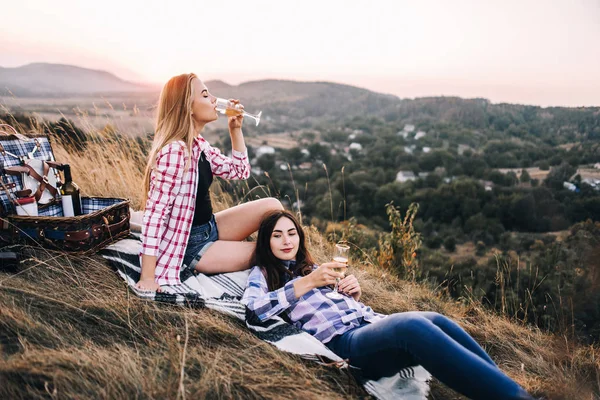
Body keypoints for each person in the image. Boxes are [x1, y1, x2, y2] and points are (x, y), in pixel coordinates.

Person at [242, 210, 535, 400]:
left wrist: (350, 295)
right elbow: (254, 312)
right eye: (277, 235)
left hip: (367, 324)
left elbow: (333, 304)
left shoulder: (311, 266)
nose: (286, 240)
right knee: (411, 325)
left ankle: (509, 388)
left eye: (291, 233)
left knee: (436, 318)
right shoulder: (264, 274)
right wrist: (306, 283)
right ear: (266, 241)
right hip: (345, 344)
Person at [137, 73, 282, 292]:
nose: (214, 99)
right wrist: (148, 277)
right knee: (275, 249)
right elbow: (154, 215)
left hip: (209, 227)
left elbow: (240, 171)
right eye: (206, 95)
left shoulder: (197, 145)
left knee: (273, 207)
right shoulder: (175, 151)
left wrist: (235, 129)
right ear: (188, 107)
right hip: (191, 245)